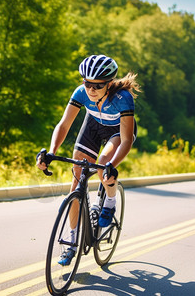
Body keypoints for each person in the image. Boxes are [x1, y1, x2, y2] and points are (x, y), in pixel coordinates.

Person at [36, 54, 140, 265]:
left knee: (103, 166)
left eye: (97, 85)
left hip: (117, 132)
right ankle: (70, 244)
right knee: (75, 182)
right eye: (87, 83)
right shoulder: (81, 93)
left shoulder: (123, 99)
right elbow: (64, 124)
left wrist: (112, 165)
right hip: (92, 127)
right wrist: (51, 152)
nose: (91, 90)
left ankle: (109, 202)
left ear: (109, 84)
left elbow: (127, 139)